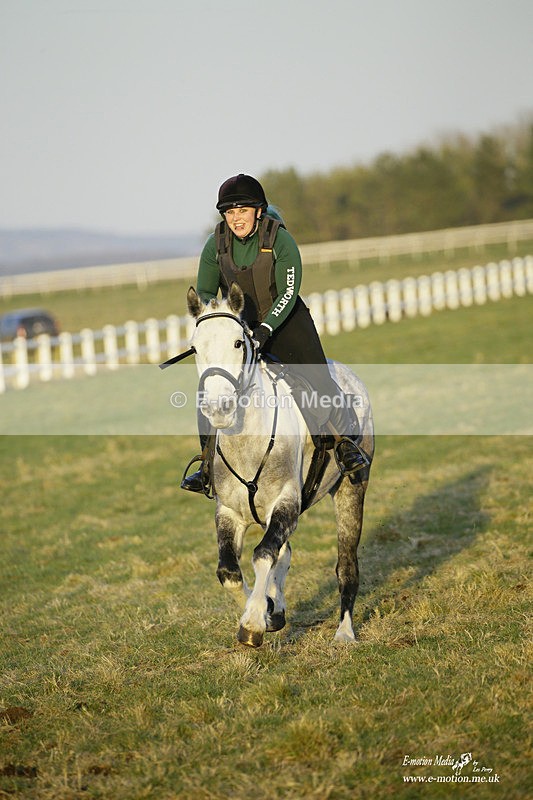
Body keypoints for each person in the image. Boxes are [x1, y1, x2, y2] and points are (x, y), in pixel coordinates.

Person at [181, 173, 368, 493]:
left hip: (286, 322)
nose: (236, 218)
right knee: (211, 388)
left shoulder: (280, 240)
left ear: (258, 211)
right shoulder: (215, 245)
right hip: (241, 328)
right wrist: (216, 327)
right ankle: (207, 462)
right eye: (229, 212)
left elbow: (289, 291)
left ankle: (344, 443)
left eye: (242, 211)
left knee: (318, 380)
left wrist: (267, 329)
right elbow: (206, 293)